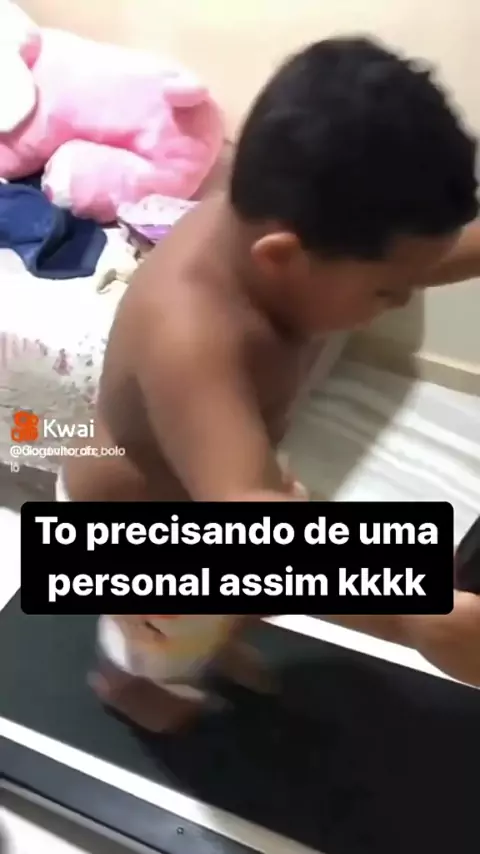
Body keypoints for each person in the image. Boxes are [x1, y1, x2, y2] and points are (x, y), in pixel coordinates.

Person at [61, 37, 480, 729]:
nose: (404, 300)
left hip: (222, 479)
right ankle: (132, 688)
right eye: (387, 292)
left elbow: (419, 259)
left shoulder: (288, 241)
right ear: (282, 258)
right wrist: (417, 610)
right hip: (141, 529)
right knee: (162, 633)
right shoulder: (191, 334)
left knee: (241, 598)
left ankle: (212, 637)